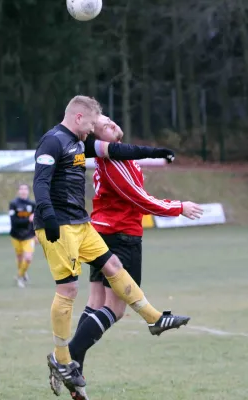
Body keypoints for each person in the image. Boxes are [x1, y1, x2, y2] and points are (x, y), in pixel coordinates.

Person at [33, 95, 186, 400]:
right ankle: (62, 359)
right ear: (78, 118)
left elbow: (119, 149)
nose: (92, 130)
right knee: (68, 291)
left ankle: (155, 318)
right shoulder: (53, 141)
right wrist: (47, 214)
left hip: (82, 223)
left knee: (113, 267)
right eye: (91, 124)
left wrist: (155, 152)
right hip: (59, 225)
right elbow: (40, 181)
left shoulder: (81, 142)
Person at [63, 116, 203, 386]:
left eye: (111, 121)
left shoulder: (118, 156)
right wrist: (179, 207)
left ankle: (75, 364)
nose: (113, 125)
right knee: (115, 308)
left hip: (103, 232)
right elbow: (140, 199)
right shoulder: (115, 162)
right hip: (121, 235)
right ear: (100, 137)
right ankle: (68, 356)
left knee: (96, 302)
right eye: (105, 126)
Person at [9, 183, 36, 288]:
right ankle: (23, 273)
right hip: (16, 235)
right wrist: (27, 219)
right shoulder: (13, 204)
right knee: (20, 258)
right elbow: (13, 221)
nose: (23, 191)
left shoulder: (32, 204)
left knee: (28, 258)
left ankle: (20, 277)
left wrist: (36, 234)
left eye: (25, 189)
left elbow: (35, 221)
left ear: (28, 191)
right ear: (18, 191)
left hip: (28, 236)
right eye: (21, 189)